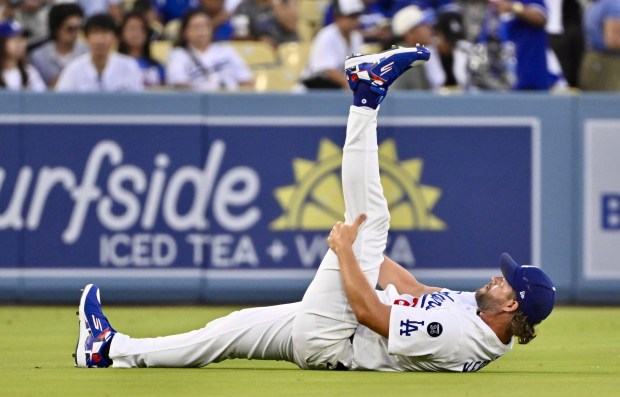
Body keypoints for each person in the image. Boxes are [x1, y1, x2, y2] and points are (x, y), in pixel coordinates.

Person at [74, 45, 557, 373]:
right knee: (227, 331)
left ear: (512, 304)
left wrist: (350, 251)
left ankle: (366, 96)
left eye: (504, 281)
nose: (496, 278)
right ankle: (110, 350)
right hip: (332, 325)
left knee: (371, 221)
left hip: (337, 339)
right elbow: (413, 291)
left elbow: (371, 312)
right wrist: (369, 258)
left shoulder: (458, 335)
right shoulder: (474, 311)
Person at [166, 8, 252, 91]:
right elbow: (179, 85)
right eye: (196, 27)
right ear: (184, 31)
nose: (202, 31)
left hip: (231, 101)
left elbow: (246, 81)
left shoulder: (227, 51)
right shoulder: (178, 54)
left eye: (206, 26)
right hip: (196, 102)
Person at [55, 13, 144, 92]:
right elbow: (60, 102)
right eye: (95, 33)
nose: (100, 40)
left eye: (105, 33)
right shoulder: (73, 69)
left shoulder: (129, 66)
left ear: (115, 38)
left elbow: (138, 103)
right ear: (86, 38)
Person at [300, 0, 364, 90]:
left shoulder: (356, 37)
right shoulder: (326, 36)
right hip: (312, 90)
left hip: (336, 90)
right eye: (350, 17)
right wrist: (351, 85)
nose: (354, 21)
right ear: (337, 17)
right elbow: (328, 70)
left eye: (356, 16)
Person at [28, 3, 88, 88]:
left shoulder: (86, 52)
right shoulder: (39, 56)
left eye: (79, 28)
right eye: (70, 29)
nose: (75, 33)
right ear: (57, 29)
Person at [579, 0, 620, 91]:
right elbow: (613, 41)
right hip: (608, 64)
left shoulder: (597, 4)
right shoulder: (614, 4)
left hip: (594, 61)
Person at [118, 11, 165, 88]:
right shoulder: (113, 64)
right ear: (122, 33)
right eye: (132, 28)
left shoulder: (156, 67)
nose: (137, 33)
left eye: (141, 29)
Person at [0, 19, 45, 91]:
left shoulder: (29, 72)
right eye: (14, 39)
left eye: (22, 39)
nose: (20, 44)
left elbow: (40, 99)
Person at [230, 0, 299, 47]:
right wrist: (258, 42)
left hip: (287, 46)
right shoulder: (245, 6)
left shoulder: (284, 2)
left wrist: (276, 4)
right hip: (259, 49)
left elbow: (291, 26)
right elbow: (238, 35)